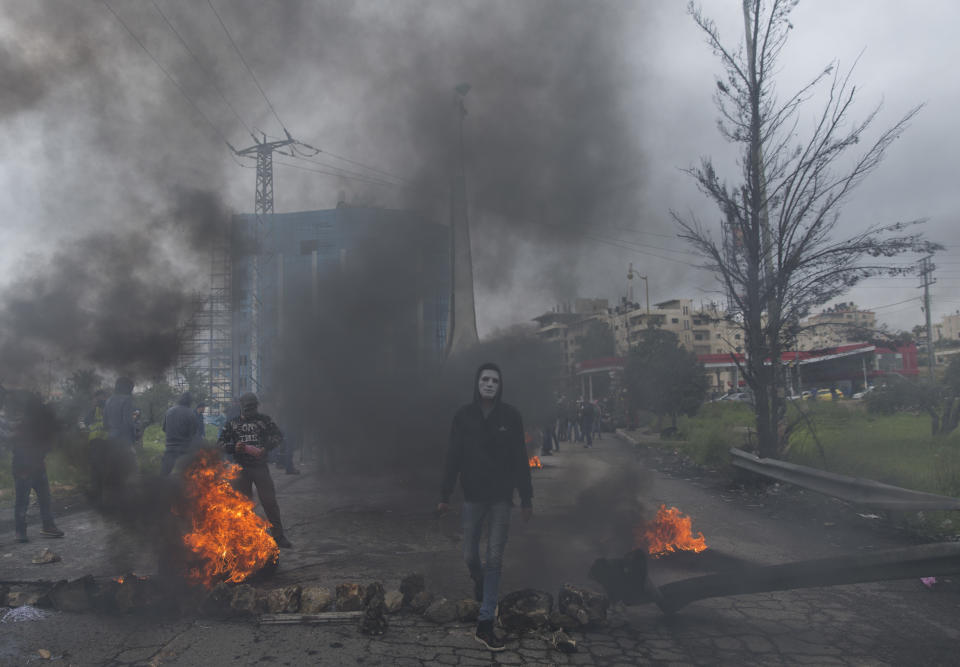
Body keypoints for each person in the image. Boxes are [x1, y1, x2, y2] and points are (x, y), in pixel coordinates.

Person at [438, 362, 533, 652]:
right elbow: (453, 455)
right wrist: (444, 493)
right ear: (477, 384)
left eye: (494, 380)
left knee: (494, 558)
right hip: (472, 498)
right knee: (469, 554)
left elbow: (520, 457)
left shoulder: (511, 416)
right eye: (485, 379)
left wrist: (526, 498)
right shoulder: (463, 416)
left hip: (501, 498)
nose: (490, 384)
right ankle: (478, 580)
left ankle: (485, 623)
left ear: (500, 385)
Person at [217, 393, 292, 548]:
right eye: (247, 406)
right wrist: (233, 448)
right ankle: (243, 536)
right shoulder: (232, 423)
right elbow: (220, 443)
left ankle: (278, 535)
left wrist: (266, 448)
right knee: (242, 504)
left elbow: (278, 436)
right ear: (241, 406)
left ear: (256, 406)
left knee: (269, 502)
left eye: (252, 406)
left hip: (260, 467)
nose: (250, 409)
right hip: (241, 468)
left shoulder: (264, 420)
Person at [6, 392, 64, 543]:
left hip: (36, 466)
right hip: (24, 468)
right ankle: (20, 532)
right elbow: (19, 446)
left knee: (44, 499)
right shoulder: (28, 424)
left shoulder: (36, 422)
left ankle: (48, 526)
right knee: (23, 501)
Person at [161, 392, 201, 476]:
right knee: (186, 479)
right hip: (184, 451)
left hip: (169, 449)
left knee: (164, 477)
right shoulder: (191, 414)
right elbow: (193, 433)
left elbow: (164, 429)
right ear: (190, 402)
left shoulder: (169, 411)